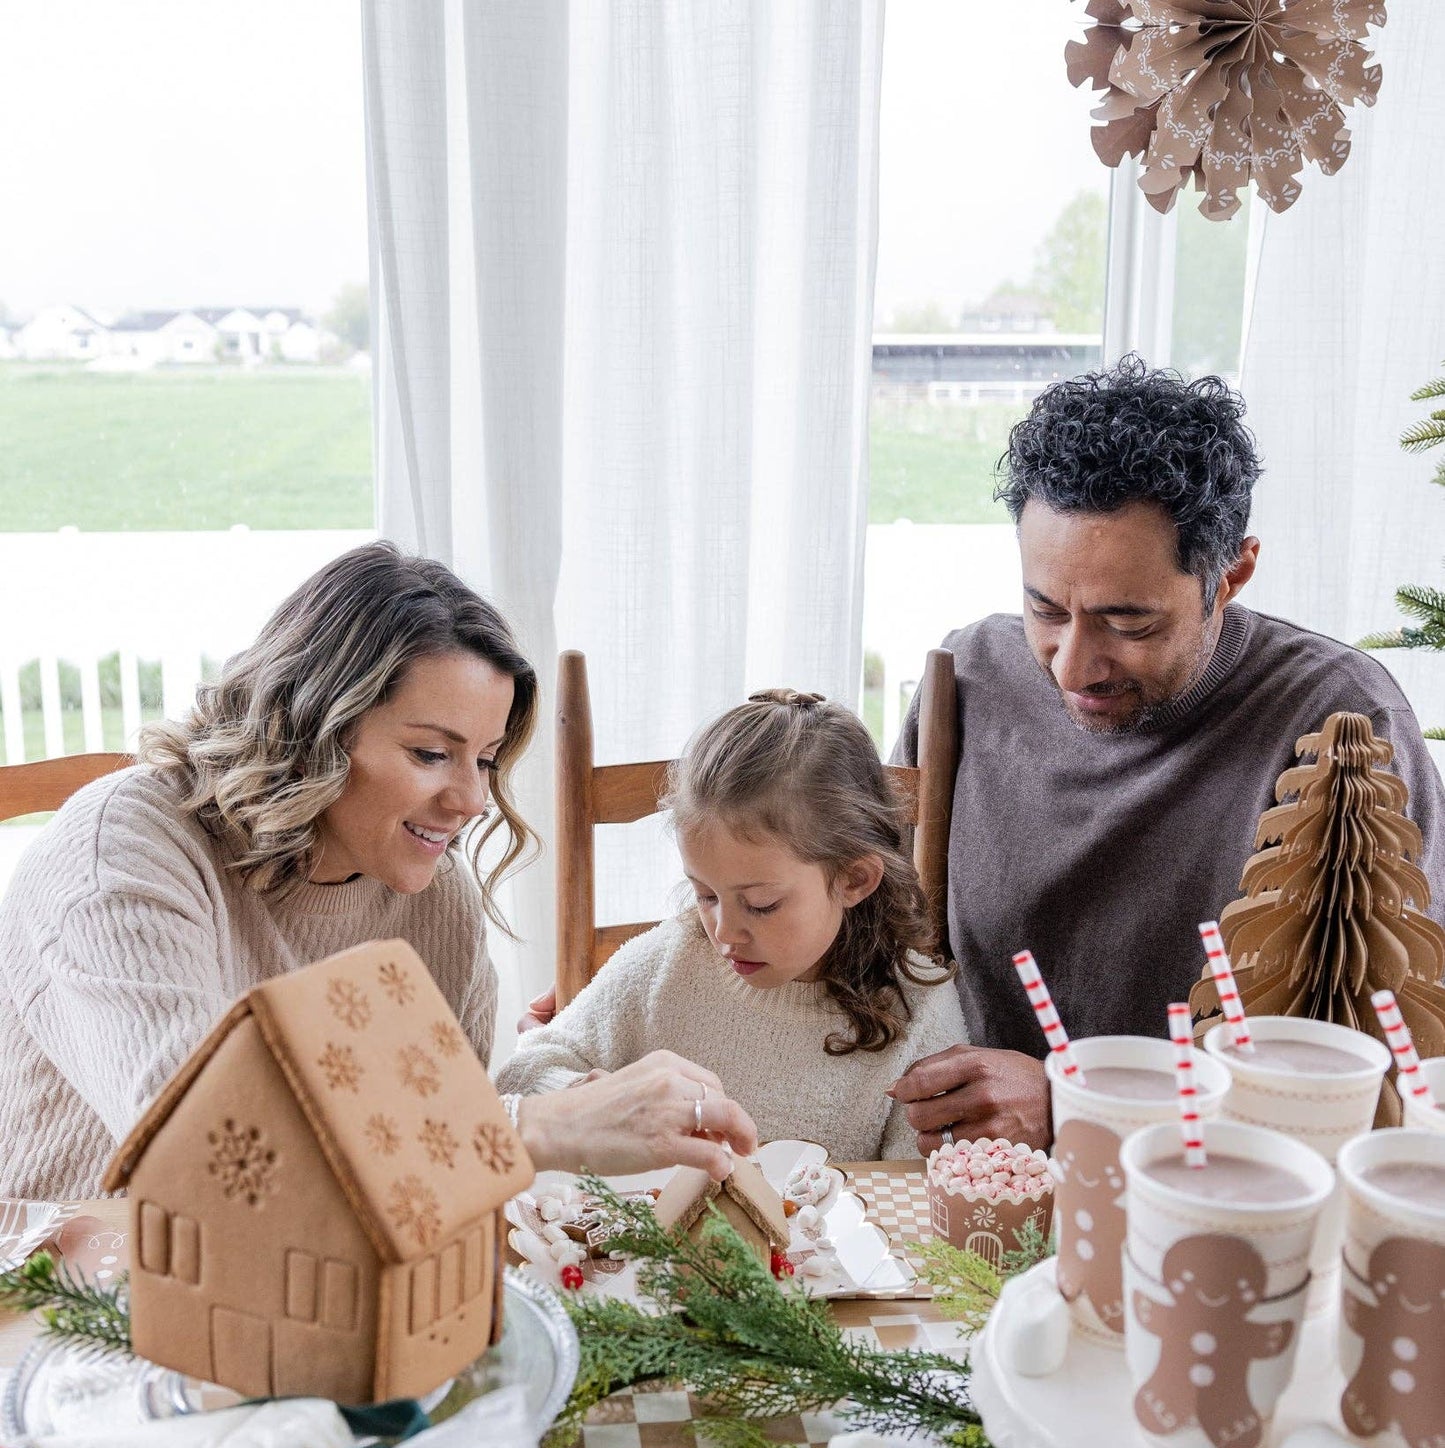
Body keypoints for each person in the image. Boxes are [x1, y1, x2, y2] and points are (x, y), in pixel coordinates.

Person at [0, 543, 755, 1201]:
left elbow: (433, 1148)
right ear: (310, 726)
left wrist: (552, 1092)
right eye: (431, 753)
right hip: (59, 1284)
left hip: (309, 1279)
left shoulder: (430, 894)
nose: (471, 800)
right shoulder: (125, 849)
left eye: (486, 759)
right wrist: (536, 1127)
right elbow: (211, 1150)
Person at [889, 357, 1445, 1154]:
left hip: (1219, 1196)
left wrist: (1075, 1104)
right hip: (962, 1182)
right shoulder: (969, 677)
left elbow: (1394, 1077)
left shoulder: (1342, 721)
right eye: (1044, 607)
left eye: (1128, 622)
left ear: (1231, 574)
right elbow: (872, 941)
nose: (1072, 666)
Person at [498, 690, 966, 1159]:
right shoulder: (670, 960)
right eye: (705, 894)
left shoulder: (920, 1004)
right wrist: (589, 1096)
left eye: (761, 904)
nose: (722, 932)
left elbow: (922, 1193)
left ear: (854, 878)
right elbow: (523, 1074)